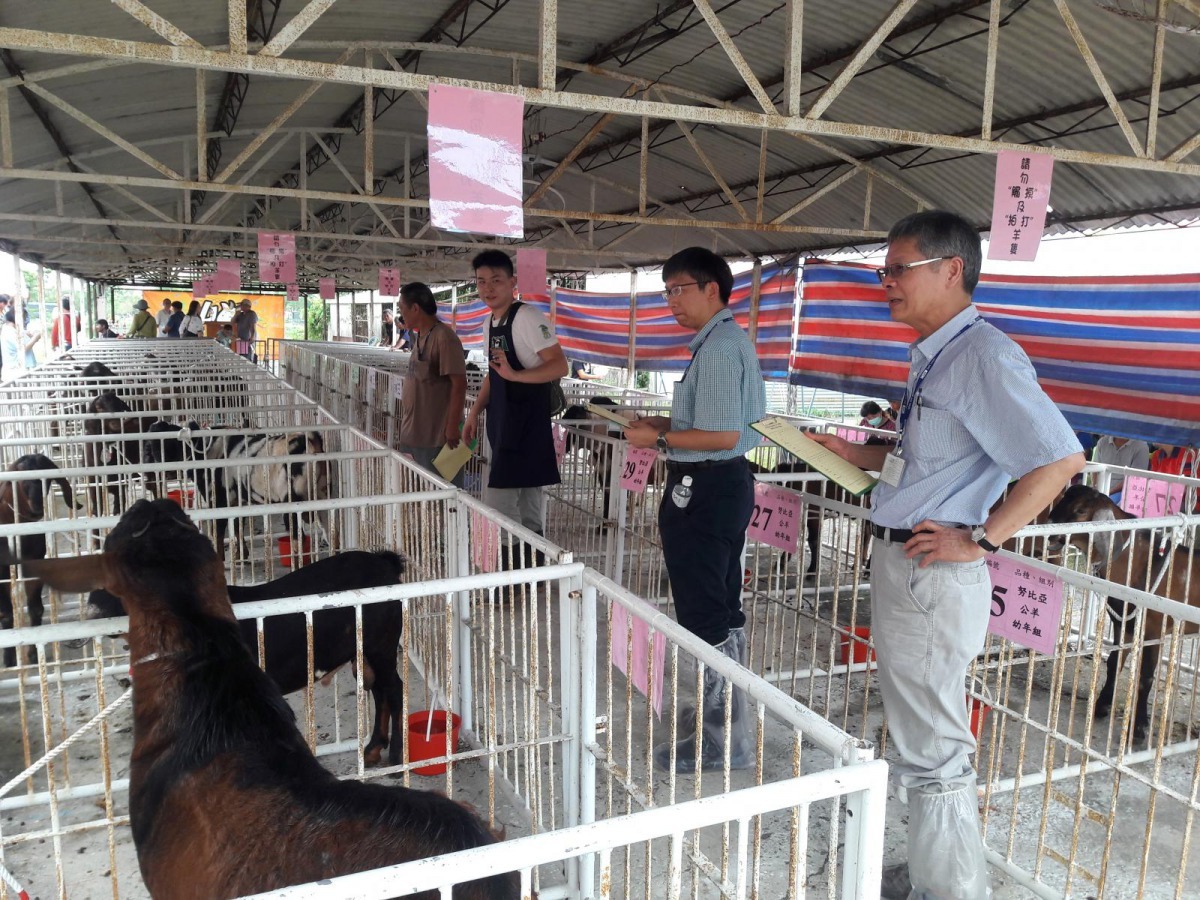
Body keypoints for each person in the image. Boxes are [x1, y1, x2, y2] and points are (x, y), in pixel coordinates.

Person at [810, 210, 1084, 900]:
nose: (887, 282)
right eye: (885, 270)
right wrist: (858, 454)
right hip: (908, 564)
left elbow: (1059, 461)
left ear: (951, 269)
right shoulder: (935, 356)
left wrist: (981, 538)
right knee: (919, 734)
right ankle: (937, 873)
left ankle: (954, 891)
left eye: (898, 269)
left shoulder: (984, 356)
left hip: (935, 569)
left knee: (934, 746)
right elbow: (929, 465)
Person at [624, 247, 765, 774]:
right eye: (667, 291)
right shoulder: (719, 343)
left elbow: (723, 435)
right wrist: (663, 424)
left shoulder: (721, 348)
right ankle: (727, 723)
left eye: (680, 289)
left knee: (705, 616)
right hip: (714, 484)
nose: (672, 300)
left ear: (712, 289)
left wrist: (659, 439)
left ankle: (720, 741)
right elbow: (713, 424)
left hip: (708, 487)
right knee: (721, 609)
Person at [463, 250, 567, 539]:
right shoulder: (490, 323)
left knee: (502, 503)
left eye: (496, 280)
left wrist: (516, 376)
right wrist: (473, 413)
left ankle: (511, 562)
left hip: (526, 424)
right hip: (504, 422)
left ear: (513, 282)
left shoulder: (527, 317)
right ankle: (531, 563)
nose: (488, 288)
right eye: (481, 281)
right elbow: (494, 373)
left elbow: (560, 365)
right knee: (526, 503)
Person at [397, 283, 468, 485]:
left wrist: (452, 426)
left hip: (437, 439)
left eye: (402, 308)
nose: (401, 315)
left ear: (415, 308)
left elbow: (459, 383)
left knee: (441, 496)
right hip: (413, 435)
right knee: (416, 494)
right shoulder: (420, 336)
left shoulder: (444, 337)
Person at [1, 306, 40, 375]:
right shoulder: (9, 331)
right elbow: (22, 349)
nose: (24, 321)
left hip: (19, 368)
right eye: (24, 318)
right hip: (16, 370)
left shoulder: (13, 330)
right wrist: (35, 338)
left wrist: (32, 336)